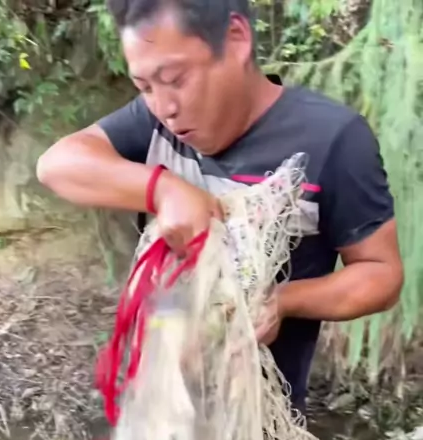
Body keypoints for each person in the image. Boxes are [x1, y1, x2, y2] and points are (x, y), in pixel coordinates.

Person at [37, 0, 404, 415]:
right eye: (145, 87)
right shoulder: (153, 124)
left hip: (260, 420)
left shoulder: (332, 138)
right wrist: (163, 189)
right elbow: (56, 165)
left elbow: (382, 275)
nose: (165, 107)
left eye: (175, 79)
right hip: (157, 409)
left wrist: (282, 301)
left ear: (235, 38)